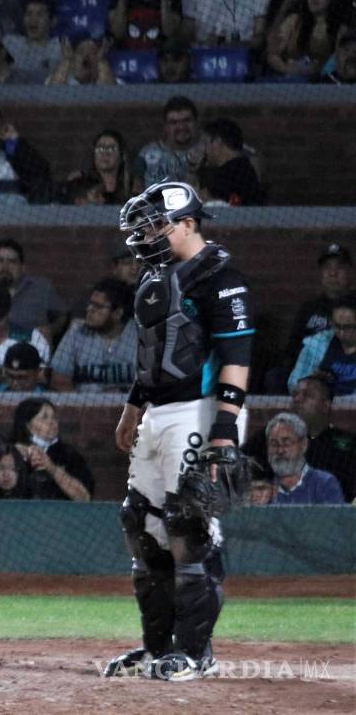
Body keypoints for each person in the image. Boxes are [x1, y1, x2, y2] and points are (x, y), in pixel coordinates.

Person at [106, 181, 255, 682]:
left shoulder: (221, 278)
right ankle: (158, 647)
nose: (146, 236)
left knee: (187, 527)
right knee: (141, 523)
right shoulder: (156, 277)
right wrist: (133, 407)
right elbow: (153, 356)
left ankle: (195, 652)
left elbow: (236, 358)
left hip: (201, 410)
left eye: (156, 227)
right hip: (158, 412)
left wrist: (224, 432)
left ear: (188, 224)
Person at [243, 375, 356, 503]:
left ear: (325, 405)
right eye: (295, 394)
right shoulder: (268, 435)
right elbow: (240, 467)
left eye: (307, 395)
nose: (297, 399)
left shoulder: (348, 443)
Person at [50, 278, 138, 393]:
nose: (89, 309)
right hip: (82, 402)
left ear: (117, 313)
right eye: (90, 304)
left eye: (98, 306)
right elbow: (59, 381)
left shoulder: (140, 337)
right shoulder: (76, 333)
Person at [284, 243, 354, 370]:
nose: (333, 273)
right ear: (321, 273)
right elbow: (293, 347)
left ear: (350, 271)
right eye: (327, 267)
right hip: (309, 367)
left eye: (339, 267)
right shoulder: (309, 308)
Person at [10, 398, 94, 501]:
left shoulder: (68, 454)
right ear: (27, 425)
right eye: (44, 417)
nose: (52, 422)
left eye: (54, 417)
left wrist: (51, 468)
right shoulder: (9, 451)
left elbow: (85, 497)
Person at [262, 412, 345, 505]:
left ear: (303, 445)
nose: (280, 450)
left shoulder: (324, 484)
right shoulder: (262, 488)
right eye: (274, 444)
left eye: (287, 443)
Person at [133, 96, 205, 190]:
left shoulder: (208, 153)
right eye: (174, 122)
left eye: (186, 121)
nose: (181, 127)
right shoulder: (146, 154)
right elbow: (136, 190)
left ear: (196, 122)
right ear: (165, 127)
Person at [290, 298, 356, 396]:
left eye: (348, 327)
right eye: (337, 326)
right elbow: (293, 383)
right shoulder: (316, 343)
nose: (341, 333)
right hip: (320, 403)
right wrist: (313, 382)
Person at [199, 119, 261, 207]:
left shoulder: (227, 176)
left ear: (217, 142)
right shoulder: (245, 169)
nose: (204, 150)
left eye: (205, 143)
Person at [2, 0, 62, 84]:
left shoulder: (58, 48)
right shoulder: (10, 43)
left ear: (53, 21)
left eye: (39, 14)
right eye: (29, 14)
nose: (33, 19)